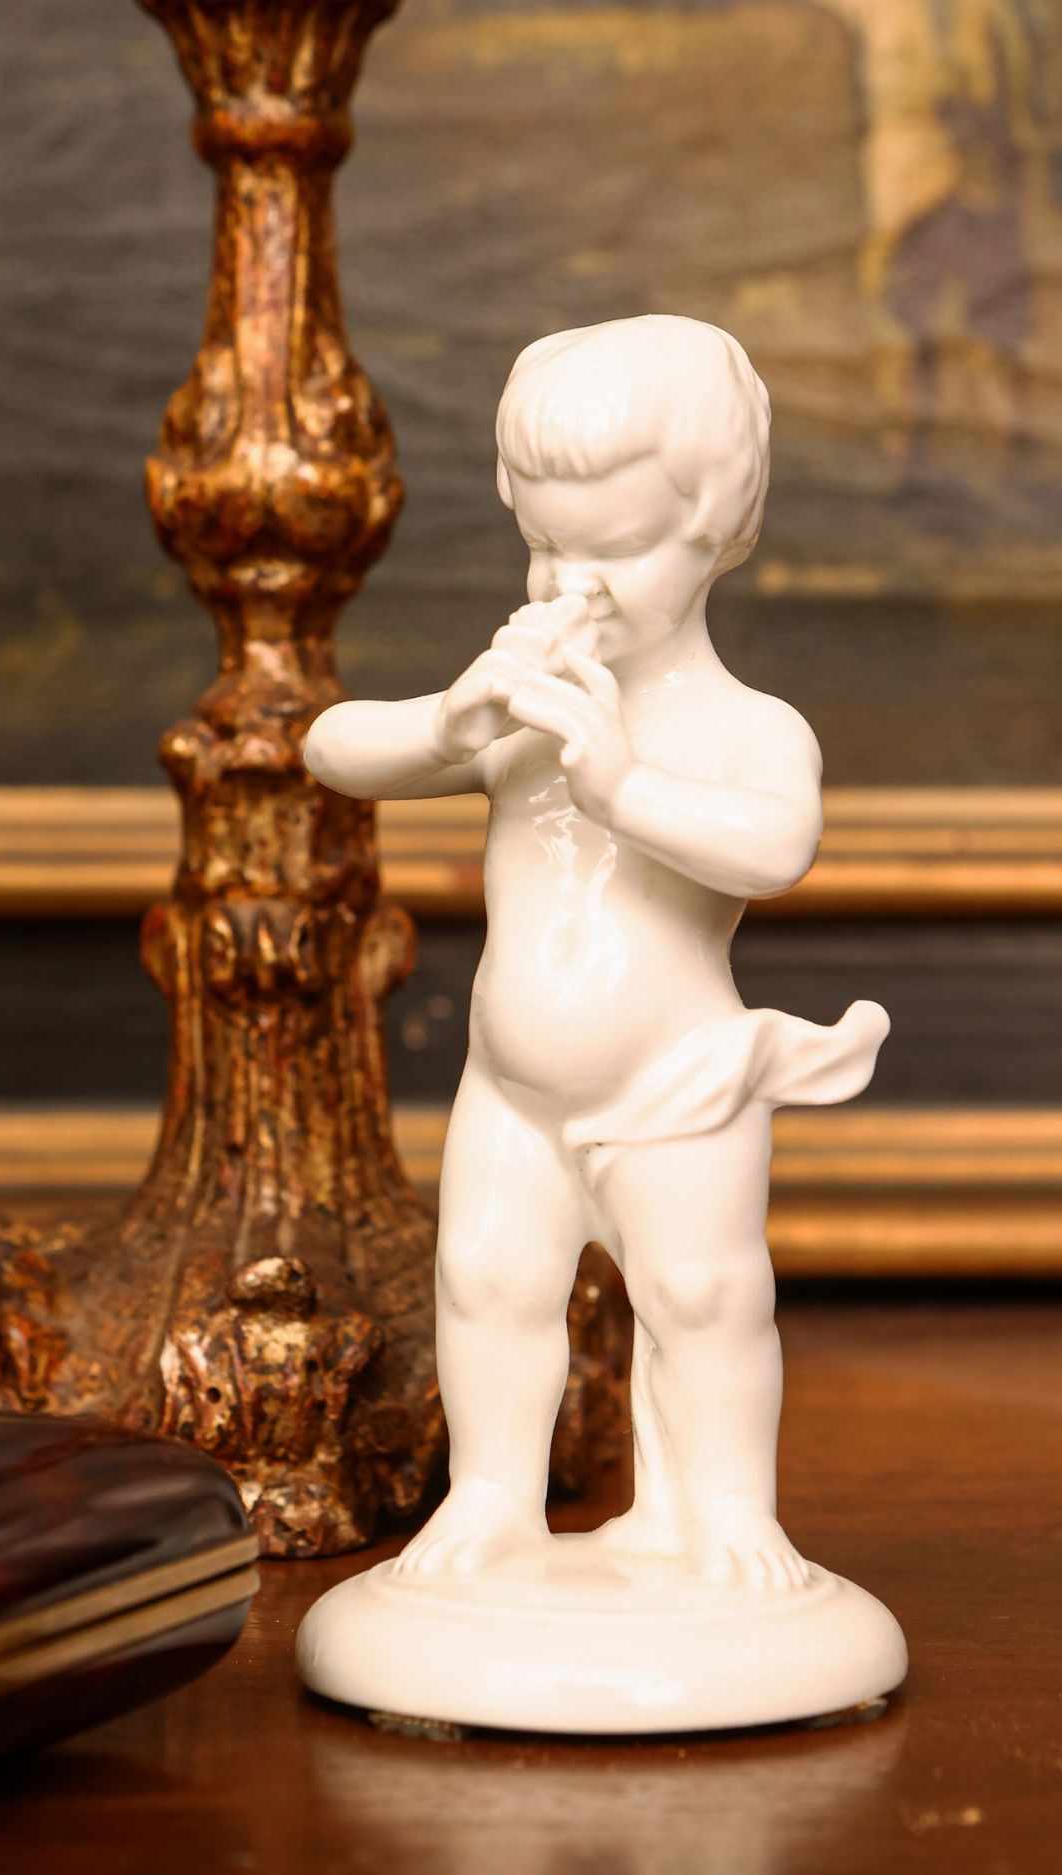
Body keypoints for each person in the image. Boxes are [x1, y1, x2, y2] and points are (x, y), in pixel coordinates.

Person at [304, 315, 888, 1591]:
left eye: (615, 551)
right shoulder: (520, 712)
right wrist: (447, 719)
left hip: (674, 1085)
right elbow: (332, 750)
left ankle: (724, 1513)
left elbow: (776, 845)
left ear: (717, 530)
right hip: (514, 1091)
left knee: (702, 1296)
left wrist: (623, 788)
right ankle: (493, 1503)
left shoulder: (743, 725)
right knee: (485, 1281)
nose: (572, 586)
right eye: (545, 548)